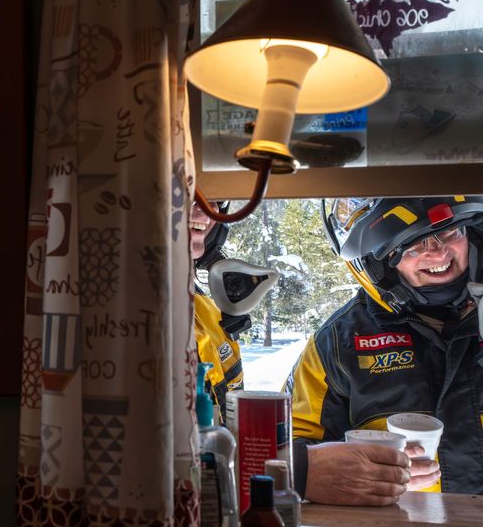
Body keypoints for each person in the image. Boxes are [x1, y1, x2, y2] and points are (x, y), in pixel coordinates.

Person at [285, 196, 483, 505]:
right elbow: (287, 445)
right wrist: (341, 470)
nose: (438, 252)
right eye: (413, 245)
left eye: (450, 232)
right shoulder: (337, 342)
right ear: (381, 263)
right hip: (395, 518)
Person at [190, 201, 278, 423]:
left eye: (217, 200)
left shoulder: (207, 309)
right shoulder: (122, 310)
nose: (208, 208)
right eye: (185, 196)